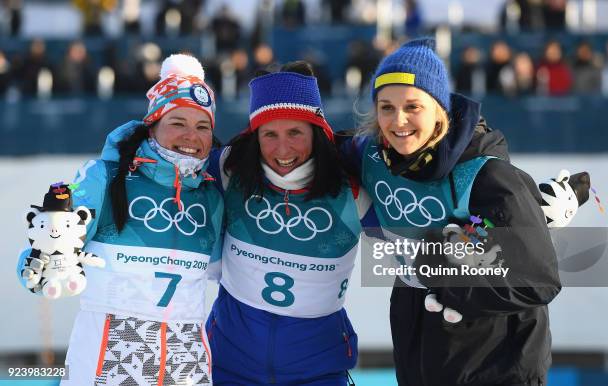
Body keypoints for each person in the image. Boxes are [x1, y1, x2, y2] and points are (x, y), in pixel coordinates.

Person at [340, 38, 560, 386]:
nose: (398, 121)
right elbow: (306, 149)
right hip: (420, 351)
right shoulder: (370, 155)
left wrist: (448, 279)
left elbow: (539, 281)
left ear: (439, 109)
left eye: (413, 106)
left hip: (497, 362)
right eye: (386, 107)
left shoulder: (488, 174)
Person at [17, 54, 223, 385]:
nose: (191, 136)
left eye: (203, 127)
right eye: (177, 123)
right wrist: (41, 269)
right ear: (152, 126)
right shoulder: (105, 177)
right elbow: (53, 240)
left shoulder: (211, 195)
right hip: (111, 356)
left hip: (187, 362)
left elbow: (228, 270)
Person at [205, 61, 371, 385]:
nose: (282, 149)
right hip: (228, 364)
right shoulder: (230, 170)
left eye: (295, 132)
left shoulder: (351, 188)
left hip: (318, 370)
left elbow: (415, 244)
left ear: (317, 132)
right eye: (270, 134)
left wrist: (484, 245)